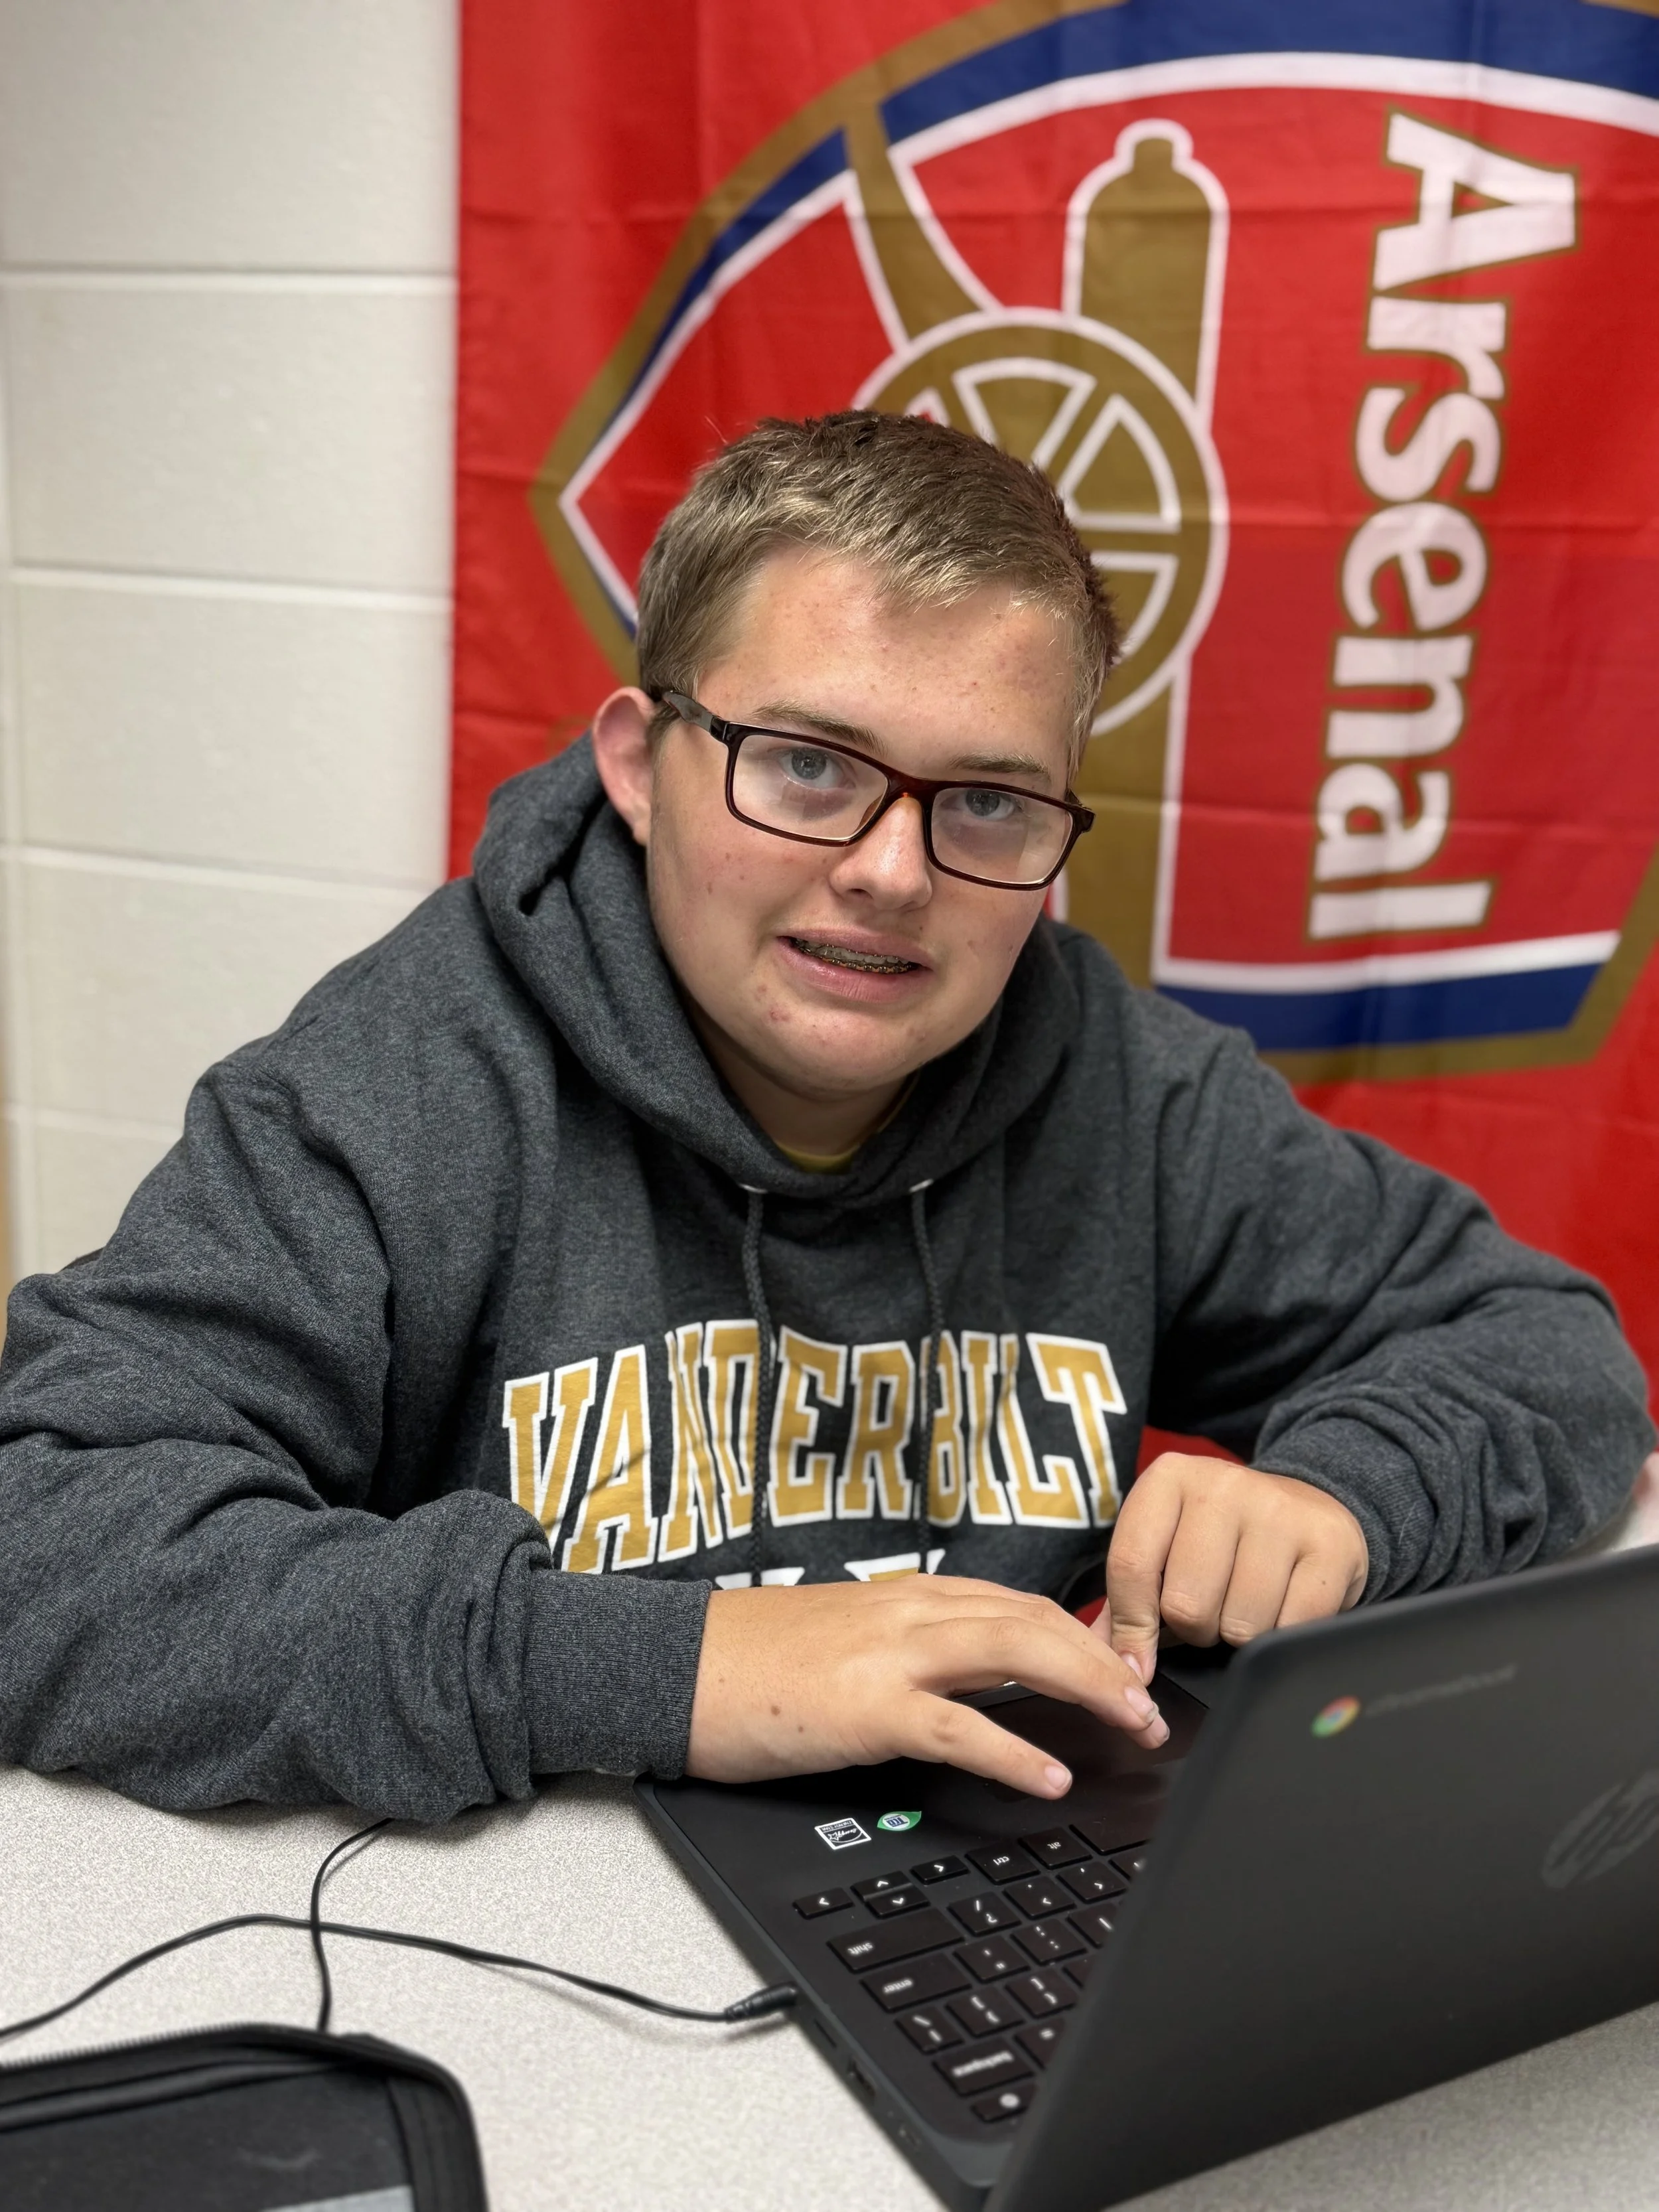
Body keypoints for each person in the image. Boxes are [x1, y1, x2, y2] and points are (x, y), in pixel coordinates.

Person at [0, 413, 1648, 1822]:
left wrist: (1350, 1497)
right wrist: (675, 1663)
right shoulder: (403, 1086)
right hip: (547, 1935)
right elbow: (45, 1544)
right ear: (641, 765)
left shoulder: (1119, 1082)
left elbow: (1545, 1348)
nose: (886, 869)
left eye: (985, 801)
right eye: (804, 765)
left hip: (991, 1887)